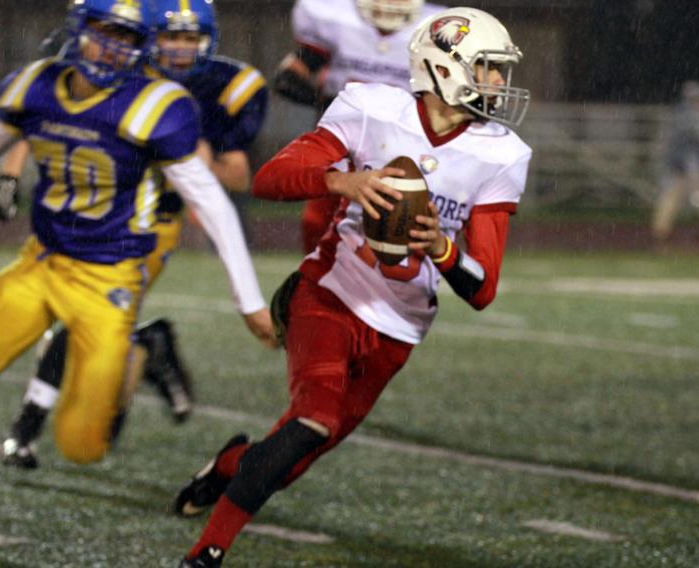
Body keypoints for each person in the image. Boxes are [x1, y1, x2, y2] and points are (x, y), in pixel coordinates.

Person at [0, 0, 274, 542]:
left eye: (124, 37)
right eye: (101, 31)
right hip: (41, 262)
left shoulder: (155, 105)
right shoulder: (35, 84)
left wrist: (249, 301)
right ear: (77, 30)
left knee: (82, 445)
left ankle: (141, 349)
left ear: (139, 47)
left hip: (109, 276)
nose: (109, 46)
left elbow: (213, 202)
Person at [173, 7, 531, 567]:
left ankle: (225, 468)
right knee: (313, 418)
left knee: (292, 456)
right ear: (444, 67)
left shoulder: (501, 153)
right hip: (331, 292)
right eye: (487, 68)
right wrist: (344, 178)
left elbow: (482, 287)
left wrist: (440, 247)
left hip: (400, 327)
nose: (499, 82)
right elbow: (269, 179)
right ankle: (206, 552)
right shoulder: (372, 107)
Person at [0, 0, 270, 469]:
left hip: (149, 223)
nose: (180, 50)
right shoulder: (115, 63)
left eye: (189, 38)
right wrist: (10, 174)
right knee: (69, 321)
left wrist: (198, 156)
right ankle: (147, 347)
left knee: (73, 319)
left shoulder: (223, 87)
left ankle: (26, 429)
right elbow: (40, 111)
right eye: (170, 37)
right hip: (85, 210)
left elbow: (240, 176)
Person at [273, 0, 443, 254]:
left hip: (403, 146)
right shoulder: (335, 19)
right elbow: (289, 78)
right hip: (344, 144)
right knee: (318, 221)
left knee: (401, 222)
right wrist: (330, 106)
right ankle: (317, 276)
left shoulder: (433, 30)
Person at [651, 80, 699, 242]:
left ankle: (661, 229)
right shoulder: (692, 115)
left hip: (680, 162)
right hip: (690, 163)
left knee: (673, 195)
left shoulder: (679, 114)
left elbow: (667, 141)